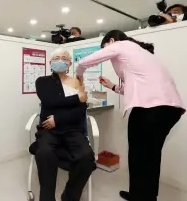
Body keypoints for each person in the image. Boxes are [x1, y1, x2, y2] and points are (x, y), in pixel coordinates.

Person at [76, 30, 185, 201]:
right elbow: (136, 87)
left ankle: (140, 196)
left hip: (150, 108)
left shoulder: (122, 45)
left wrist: (79, 76)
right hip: (170, 109)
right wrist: (113, 87)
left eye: (106, 47)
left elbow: (84, 62)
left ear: (111, 40)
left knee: (139, 155)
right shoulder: (142, 53)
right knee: (150, 155)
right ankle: (143, 195)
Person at [35, 48, 96, 201]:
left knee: (87, 157)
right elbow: (49, 102)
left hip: (72, 129)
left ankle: (69, 196)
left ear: (69, 63)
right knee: (44, 153)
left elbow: (81, 109)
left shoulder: (76, 82)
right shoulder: (42, 81)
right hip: (48, 129)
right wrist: (77, 99)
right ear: (50, 63)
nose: (60, 60)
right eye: (56, 58)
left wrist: (58, 118)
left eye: (64, 58)